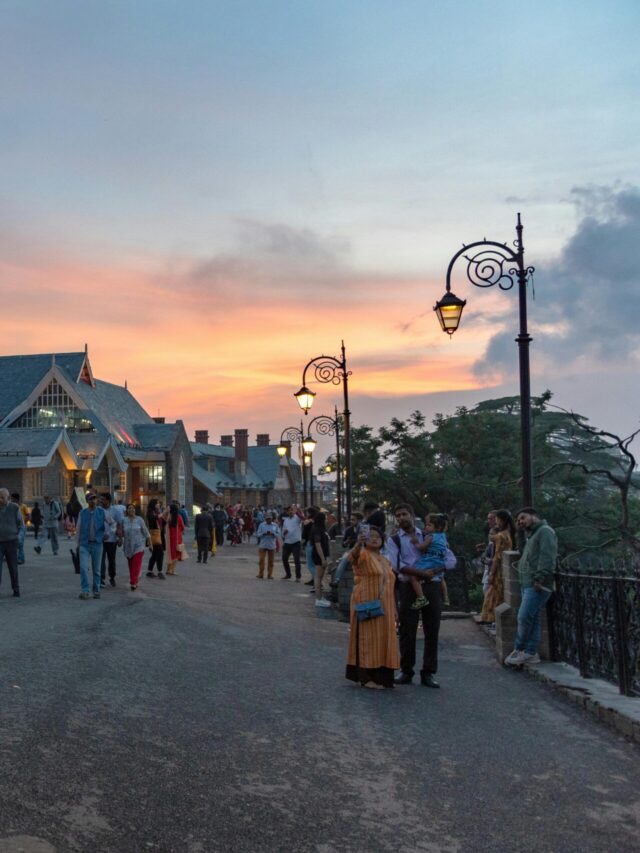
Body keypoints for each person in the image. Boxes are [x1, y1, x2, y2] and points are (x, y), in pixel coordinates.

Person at [386, 503, 445, 688]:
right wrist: (420, 574)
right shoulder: (394, 540)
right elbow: (397, 565)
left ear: (411, 515)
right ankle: (406, 670)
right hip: (408, 585)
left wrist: (435, 570)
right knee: (407, 629)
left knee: (432, 628)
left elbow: (444, 556)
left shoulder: (428, 535)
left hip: (431, 583)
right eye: (398, 515)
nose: (401, 518)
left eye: (404, 514)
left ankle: (428, 672)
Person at [345, 526, 399, 689]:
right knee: (368, 639)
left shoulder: (384, 559)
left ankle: (383, 677)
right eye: (371, 536)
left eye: (378, 536)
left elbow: (390, 584)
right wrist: (358, 544)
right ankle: (366, 677)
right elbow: (350, 559)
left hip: (386, 606)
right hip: (367, 604)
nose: (375, 539)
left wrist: (395, 608)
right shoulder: (362, 554)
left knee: (384, 640)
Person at [504, 508, 558, 666]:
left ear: (534, 516)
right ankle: (531, 652)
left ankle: (520, 649)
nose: (520, 521)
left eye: (523, 518)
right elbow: (522, 552)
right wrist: (519, 533)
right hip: (527, 582)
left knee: (524, 616)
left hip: (537, 584)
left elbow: (547, 556)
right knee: (532, 619)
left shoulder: (545, 532)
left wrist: (539, 578)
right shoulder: (532, 535)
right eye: (518, 520)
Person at [479, 509, 516, 624]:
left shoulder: (500, 536)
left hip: (498, 569)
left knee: (493, 594)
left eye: (496, 519)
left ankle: (493, 619)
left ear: (501, 520)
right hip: (505, 568)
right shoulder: (508, 534)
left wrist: (491, 573)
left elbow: (497, 556)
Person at [409, 514, 449, 610]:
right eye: (426, 524)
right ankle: (446, 596)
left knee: (413, 576)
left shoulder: (430, 537)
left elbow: (421, 547)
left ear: (438, 527)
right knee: (441, 578)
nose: (426, 527)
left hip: (429, 561)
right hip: (439, 562)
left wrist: (415, 542)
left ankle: (421, 598)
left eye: (429, 525)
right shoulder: (443, 536)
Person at [76, 493, 111, 600]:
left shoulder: (102, 512)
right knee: (83, 568)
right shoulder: (82, 513)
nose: (93, 501)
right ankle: (85, 591)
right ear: (87, 501)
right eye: (91, 499)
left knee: (96, 569)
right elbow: (78, 529)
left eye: (94, 499)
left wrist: (108, 534)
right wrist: (77, 545)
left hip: (97, 544)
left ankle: (96, 591)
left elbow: (112, 523)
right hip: (84, 544)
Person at [122, 504, 150, 591]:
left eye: (133, 508)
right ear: (127, 510)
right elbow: (120, 531)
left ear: (135, 510)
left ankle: (133, 582)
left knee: (136, 565)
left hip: (139, 546)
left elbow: (146, 532)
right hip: (128, 546)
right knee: (131, 565)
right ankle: (135, 580)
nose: (131, 510)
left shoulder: (140, 520)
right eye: (129, 508)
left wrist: (150, 544)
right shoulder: (124, 520)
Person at [0, 487, 23, 597]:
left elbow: (21, 525)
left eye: (2, 497)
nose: (0, 499)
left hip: (11, 542)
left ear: (8, 497)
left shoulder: (14, 508)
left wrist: (19, 537)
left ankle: (16, 589)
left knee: (13, 567)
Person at [100, 494, 123, 587]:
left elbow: (120, 524)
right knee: (101, 560)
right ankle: (101, 578)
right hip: (100, 539)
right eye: (101, 499)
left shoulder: (115, 511)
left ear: (108, 501)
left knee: (111, 560)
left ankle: (112, 577)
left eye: (103, 499)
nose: (101, 501)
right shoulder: (99, 510)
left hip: (112, 539)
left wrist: (120, 537)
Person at [310, 511, 331, 605]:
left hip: (322, 554)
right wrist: (322, 558)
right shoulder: (317, 529)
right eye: (325, 518)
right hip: (319, 555)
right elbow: (318, 544)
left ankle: (320, 597)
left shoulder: (320, 529)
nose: (326, 519)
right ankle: (318, 598)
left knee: (320, 576)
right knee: (318, 577)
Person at [281, 505, 303, 581]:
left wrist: (298, 510)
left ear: (294, 511)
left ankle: (298, 577)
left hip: (296, 542)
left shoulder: (297, 518)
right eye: (289, 510)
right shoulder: (286, 520)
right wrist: (284, 532)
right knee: (284, 558)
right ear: (287, 512)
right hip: (287, 542)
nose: (290, 511)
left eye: (292, 510)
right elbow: (282, 531)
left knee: (296, 560)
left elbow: (302, 517)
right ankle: (288, 574)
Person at [255, 512, 280, 579]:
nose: (268, 520)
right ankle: (261, 574)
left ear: (272, 518)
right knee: (261, 560)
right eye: (267, 519)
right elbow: (258, 534)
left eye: (270, 519)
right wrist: (264, 533)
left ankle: (270, 575)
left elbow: (278, 534)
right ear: (265, 519)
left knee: (271, 561)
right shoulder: (261, 525)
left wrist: (273, 534)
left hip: (272, 545)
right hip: (263, 545)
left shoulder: (275, 525)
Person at [146, 499, 166, 579]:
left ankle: (149, 571)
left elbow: (163, 523)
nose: (159, 504)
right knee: (160, 553)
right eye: (157, 503)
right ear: (153, 504)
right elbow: (153, 518)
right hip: (154, 534)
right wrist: (163, 513)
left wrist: (165, 515)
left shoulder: (157, 512)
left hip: (158, 534)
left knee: (155, 554)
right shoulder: (150, 512)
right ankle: (160, 572)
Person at [166, 503, 185, 575]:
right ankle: (172, 570)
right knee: (176, 554)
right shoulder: (179, 517)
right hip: (178, 537)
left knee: (170, 553)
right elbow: (182, 527)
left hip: (170, 538)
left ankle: (168, 569)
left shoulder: (169, 517)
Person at [11, 493, 28, 565]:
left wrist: (24, 523)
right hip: (14, 527)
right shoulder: (12, 506)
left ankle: (21, 559)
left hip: (21, 527)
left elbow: (27, 516)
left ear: (15, 499)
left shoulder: (23, 506)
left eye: (12, 499)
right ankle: (14, 557)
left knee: (20, 543)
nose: (11, 500)